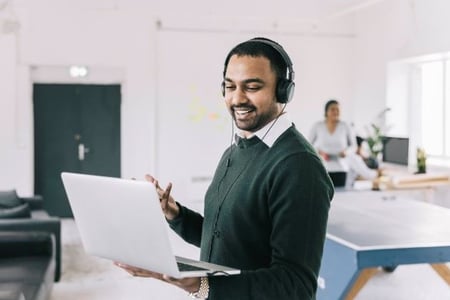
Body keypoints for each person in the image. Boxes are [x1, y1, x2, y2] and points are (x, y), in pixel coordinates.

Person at [115, 37, 334, 299]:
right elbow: (229, 238)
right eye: (230, 86)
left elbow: (295, 285)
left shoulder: (299, 165)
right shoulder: (236, 150)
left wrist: (202, 285)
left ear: (283, 91)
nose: (237, 98)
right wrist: (174, 213)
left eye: (252, 87)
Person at [309, 100, 379, 188]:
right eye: (332, 109)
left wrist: (346, 152)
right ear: (326, 112)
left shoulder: (345, 126)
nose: (335, 112)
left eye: (338, 110)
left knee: (342, 190)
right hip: (324, 163)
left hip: (341, 164)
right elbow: (308, 145)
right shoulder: (317, 126)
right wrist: (319, 152)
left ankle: (374, 174)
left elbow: (353, 146)